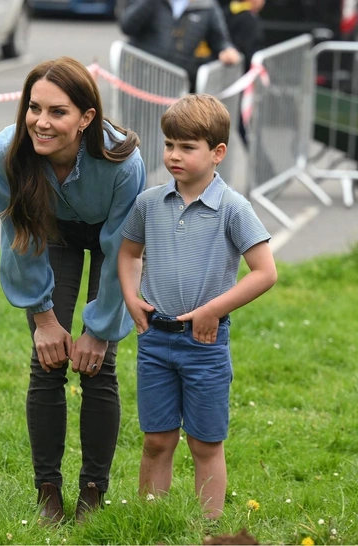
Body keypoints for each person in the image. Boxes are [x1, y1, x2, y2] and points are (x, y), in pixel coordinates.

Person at [0, 56, 146, 525]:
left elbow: (125, 250)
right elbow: (19, 236)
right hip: (50, 232)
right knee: (48, 358)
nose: (41, 121)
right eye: (34, 108)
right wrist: (43, 318)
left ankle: (93, 494)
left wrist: (99, 330)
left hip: (109, 239)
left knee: (100, 365)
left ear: (86, 118)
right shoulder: (7, 152)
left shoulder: (122, 161)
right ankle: (48, 494)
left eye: (57, 112)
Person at [117, 94, 277, 519]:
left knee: (205, 443)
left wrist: (212, 310)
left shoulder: (233, 208)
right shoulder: (149, 203)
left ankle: (208, 529)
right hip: (155, 341)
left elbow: (265, 271)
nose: (174, 155)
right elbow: (129, 253)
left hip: (205, 345)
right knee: (156, 440)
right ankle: (152, 522)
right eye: (169, 144)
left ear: (217, 152)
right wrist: (132, 297)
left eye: (187, 147)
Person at [120, 0, 242, 91]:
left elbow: (220, 40)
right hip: (140, 80)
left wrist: (226, 50)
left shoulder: (207, 5)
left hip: (178, 85)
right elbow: (127, 26)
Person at [218, 0, 266, 145]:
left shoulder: (226, 11)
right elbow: (249, 51)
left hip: (227, 80)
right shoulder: (247, 20)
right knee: (243, 125)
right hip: (241, 83)